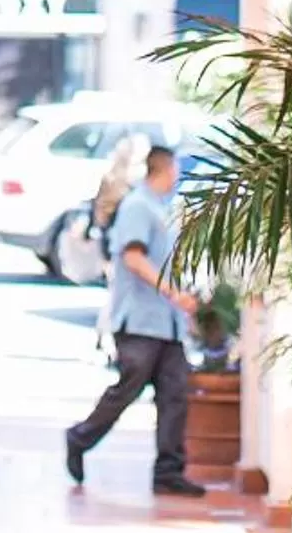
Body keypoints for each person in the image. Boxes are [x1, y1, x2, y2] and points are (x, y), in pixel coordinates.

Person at [65, 144, 206, 497]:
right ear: (163, 168)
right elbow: (133, 257)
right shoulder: (138, 207)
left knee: (174, 395)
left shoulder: (161, 208)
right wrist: (174, 294)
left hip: (167, 323)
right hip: (140, 321)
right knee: (128, 388)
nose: (177, 175)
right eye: (174, 168)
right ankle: (80, 437)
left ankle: (168, 470)